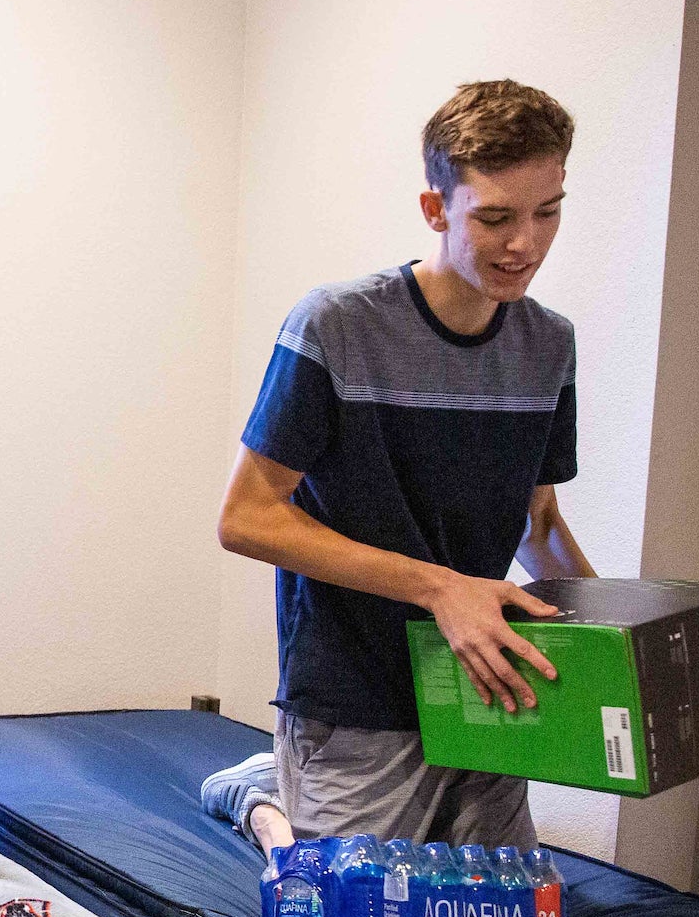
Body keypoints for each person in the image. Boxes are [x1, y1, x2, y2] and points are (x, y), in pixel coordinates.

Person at [211, 80, 596, 854]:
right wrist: (440, 588)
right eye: (495, 218)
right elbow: (246, 517)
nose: (525, 243)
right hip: (358, 697)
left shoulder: (548, 345)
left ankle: (271, 791)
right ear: (436, 210)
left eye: (546, 212)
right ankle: (263, 797)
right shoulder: (336, 327)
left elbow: (539, 520)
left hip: (486, 690)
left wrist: (614, 636)